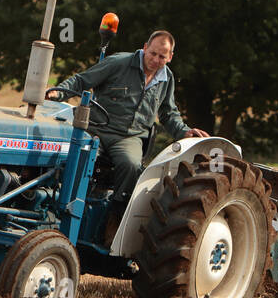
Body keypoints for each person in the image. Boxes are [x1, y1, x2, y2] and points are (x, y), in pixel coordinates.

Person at [47, 29, 208, 222]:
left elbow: (168, 113)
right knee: (77, 155)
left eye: (162, 56)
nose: (155, 60)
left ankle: (115, 217)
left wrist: (184, 132)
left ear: (170, 57)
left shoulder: (167, 79)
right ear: (145, 47)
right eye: (153, 53)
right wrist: (58, 93)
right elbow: (82, 80)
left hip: (128, 137)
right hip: (95, 128)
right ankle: (60, 206)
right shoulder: (118, 63)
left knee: (131, 165)